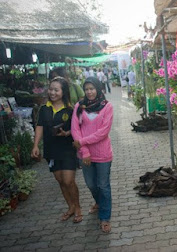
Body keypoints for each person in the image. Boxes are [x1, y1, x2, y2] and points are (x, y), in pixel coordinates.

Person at [31, 77, 82, 223]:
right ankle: (70, 207)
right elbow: (39, 126)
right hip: (51, 150)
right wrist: (35, 145)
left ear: (63, 91)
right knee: (60, 180)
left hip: (67, 148)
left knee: (69, 180)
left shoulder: (71, 110)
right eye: (51, 89)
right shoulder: (44, 108)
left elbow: (77, 129)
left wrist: (66, 133)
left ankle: (78, 207)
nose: (52, 92)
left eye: (56, 90)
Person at [71, 77, 114, 233]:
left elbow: (103, 132)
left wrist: (82, 142)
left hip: (103, 154)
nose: (89, 92)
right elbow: (75, 130)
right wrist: (84, 151)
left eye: (92, 88)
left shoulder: (107, 107)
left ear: (98, 89)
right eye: (87, 89)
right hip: (85, 155)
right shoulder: (79, 107)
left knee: (103, 186)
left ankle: (105, 218)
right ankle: (98, 202)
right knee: (91, 184)